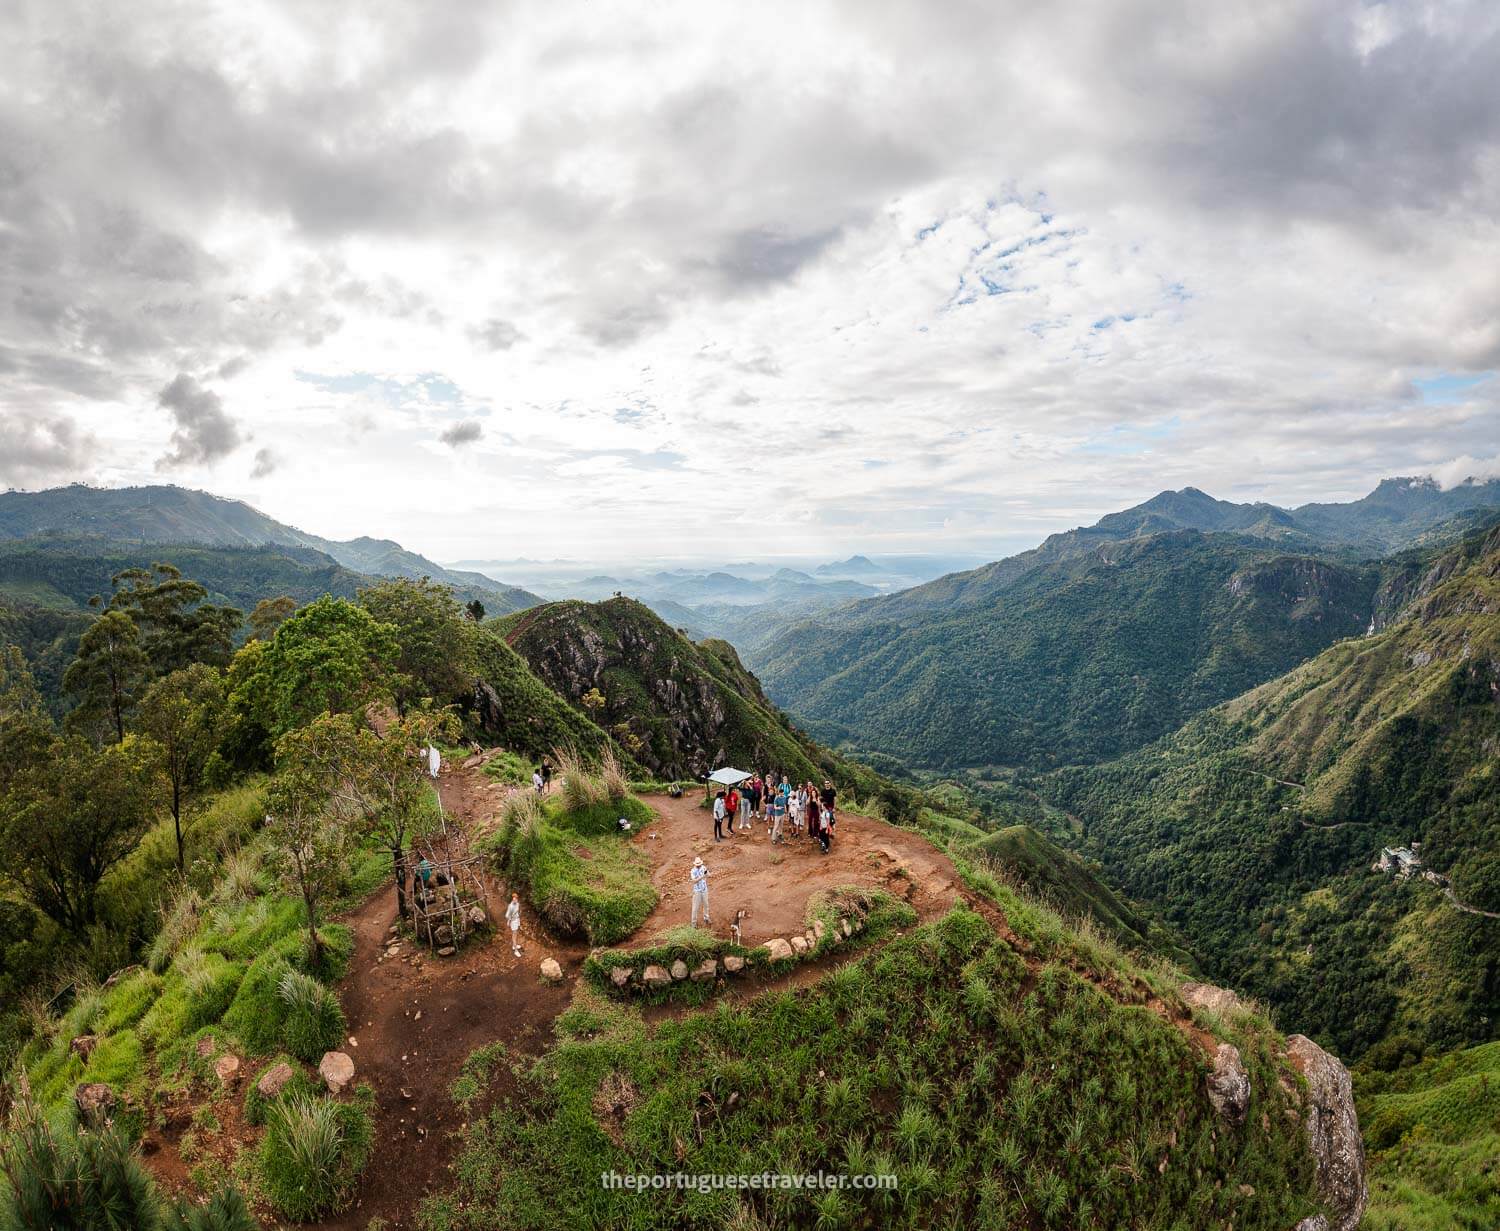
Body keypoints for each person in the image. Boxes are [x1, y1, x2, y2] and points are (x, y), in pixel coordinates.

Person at [690, 856, 711, 927]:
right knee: (695, 907)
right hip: (697, 891)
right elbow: (694, 881)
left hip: (704, 889)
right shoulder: (693, 871)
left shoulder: (703, 867)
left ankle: (706, 918)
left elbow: (709, 875)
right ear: (695, 864)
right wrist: (702, 876)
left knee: (706, 905)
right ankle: (693, 923)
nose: (699, 866)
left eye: (700, 864)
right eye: (697, 865)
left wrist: (707, 873)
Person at [505, 892, 522, 956]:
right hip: (513, 921)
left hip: (517, 920)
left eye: (516, 898)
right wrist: (509, 921)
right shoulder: (510, 906)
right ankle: (515, 950)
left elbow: (517, 910)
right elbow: (507, 915)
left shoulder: (517, 904)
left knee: (516, 933)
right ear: (512, 899)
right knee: (514, 936)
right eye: (514, 899)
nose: (515, 900)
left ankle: (514, 945)